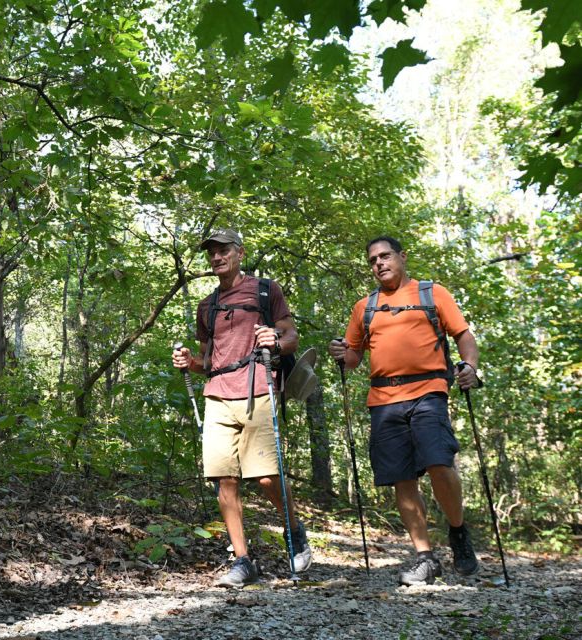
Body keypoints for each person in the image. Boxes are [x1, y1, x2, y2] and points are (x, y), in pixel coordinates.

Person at [327, 236, 480, 586]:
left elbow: (463, 336)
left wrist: (470, 366)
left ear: (401, 257)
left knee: (440, 462)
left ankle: (458, 531)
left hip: (429, 391)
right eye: (373, 260)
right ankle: (425, 556)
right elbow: (352, 360)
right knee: (402, 476)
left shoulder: (432, 293)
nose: (379, 263)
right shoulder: (363, 306)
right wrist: (341, 352)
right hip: (383, 400)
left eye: (385, 256)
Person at [172, 228, 313, 587]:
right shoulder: (207, 306)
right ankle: (242, 559)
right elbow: (206, 360)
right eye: (212, 253)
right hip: (218, 393)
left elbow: (290, 334)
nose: (217, 257)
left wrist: (276, 340)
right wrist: (189, 361)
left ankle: (294, 529)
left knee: (266, 476)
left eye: (223, 251)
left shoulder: (266, 290)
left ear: (239, 252)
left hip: (258, 388)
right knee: (224, 480)